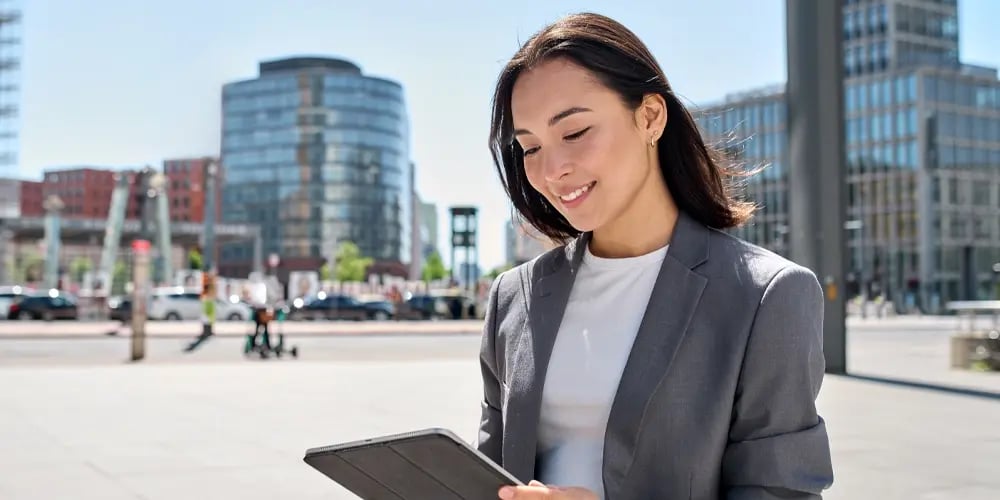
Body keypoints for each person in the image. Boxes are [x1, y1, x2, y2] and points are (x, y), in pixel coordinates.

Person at [478, 13, 833, 500]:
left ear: (650, 117)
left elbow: (781, 491)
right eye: (530, 147)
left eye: (576, 132)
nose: (552, 169)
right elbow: (490, 476)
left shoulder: (766, 296)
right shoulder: (512, 297)